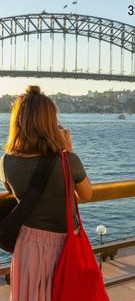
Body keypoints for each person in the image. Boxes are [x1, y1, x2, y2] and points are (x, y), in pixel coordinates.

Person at [0, 85, 92, 301]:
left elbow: (11, 190)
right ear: (51, 123)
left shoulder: (6, 162)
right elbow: (86, 195)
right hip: (65, 246)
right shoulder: (69, 161)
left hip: (28, 246)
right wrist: (68, 152)